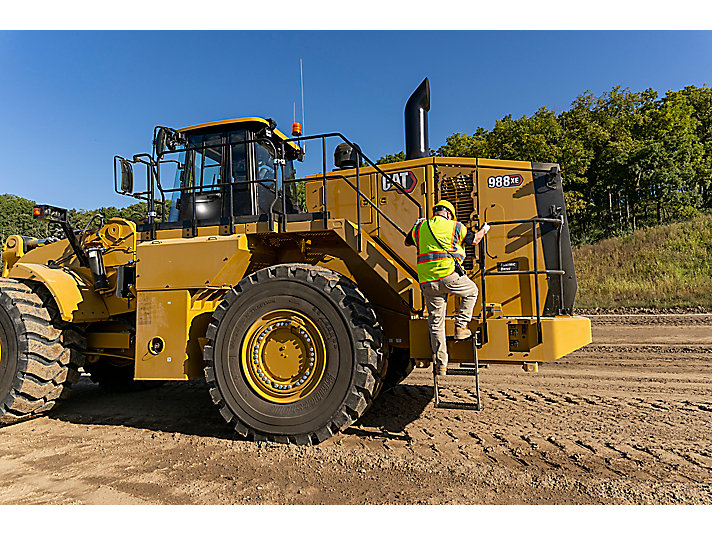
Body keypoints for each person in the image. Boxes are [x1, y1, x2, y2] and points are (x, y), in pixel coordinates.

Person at [405, 200, 490, 376]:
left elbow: (407, 242)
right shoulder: (455, 226)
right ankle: (460, 326)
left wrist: (416, 225)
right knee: (472, 291)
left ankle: (441, 365)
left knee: (436, 323)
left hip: (427, 282)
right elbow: (475, 240)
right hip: (448, 276)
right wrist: (485, 229)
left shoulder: (420, 228)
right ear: (449, 214)